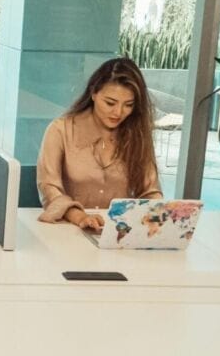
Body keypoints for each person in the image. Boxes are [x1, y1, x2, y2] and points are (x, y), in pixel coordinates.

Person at [37, 57, 162, 230]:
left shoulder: (137, 134)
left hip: (118, 231)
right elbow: (49, 187)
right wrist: (80, 217)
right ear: (93, 93)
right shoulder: (60, 130)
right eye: (110, 103)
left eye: (128, 105)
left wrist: (160, 214)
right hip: (67, 229)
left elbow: (150, 191)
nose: (118, 112)